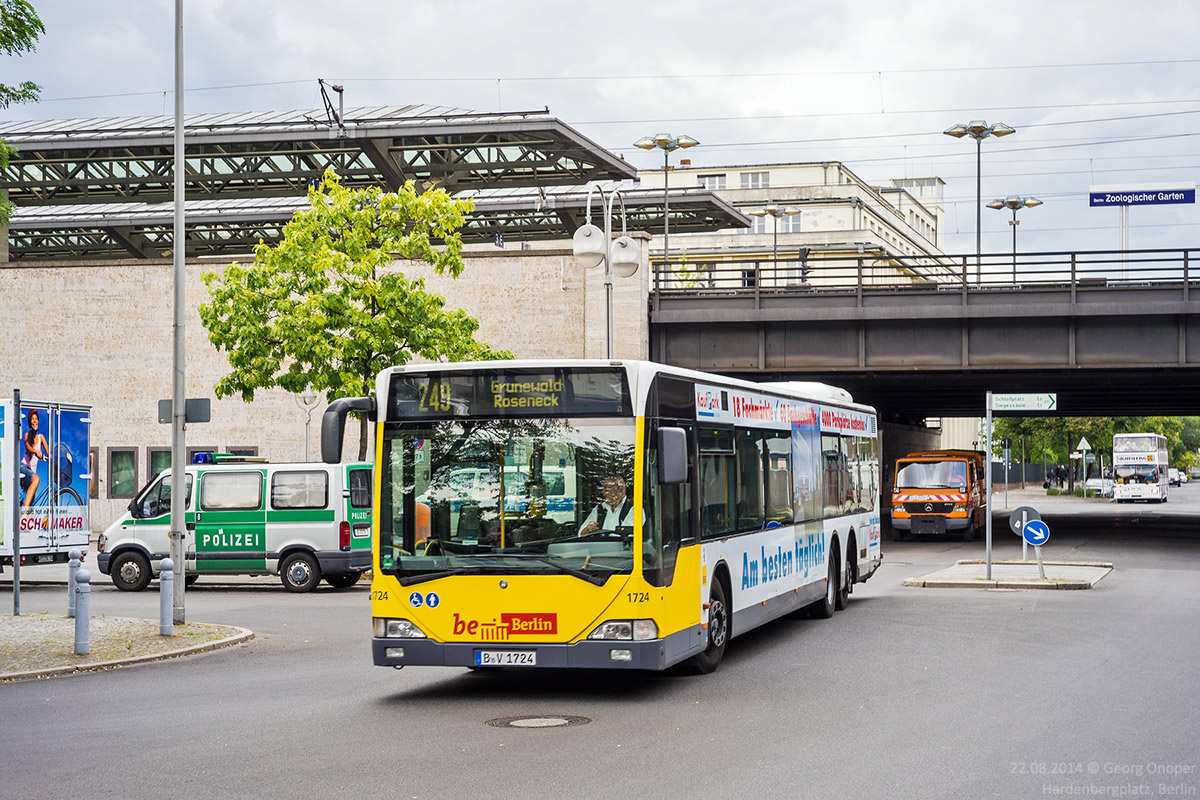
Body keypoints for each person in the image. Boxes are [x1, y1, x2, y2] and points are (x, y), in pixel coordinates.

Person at [21, 408, 50, 510]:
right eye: (32, 419)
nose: (34, 421)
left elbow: (48, 452)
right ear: (30, 422)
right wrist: (36, 451)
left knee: (31, 503)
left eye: (36, 419)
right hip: (23, 468)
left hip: (31, 472)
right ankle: (24, 512)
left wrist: (55, 461)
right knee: (36, 479)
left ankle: (25, 521)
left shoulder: (41, 437)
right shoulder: (26, 435)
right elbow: (28, 447)